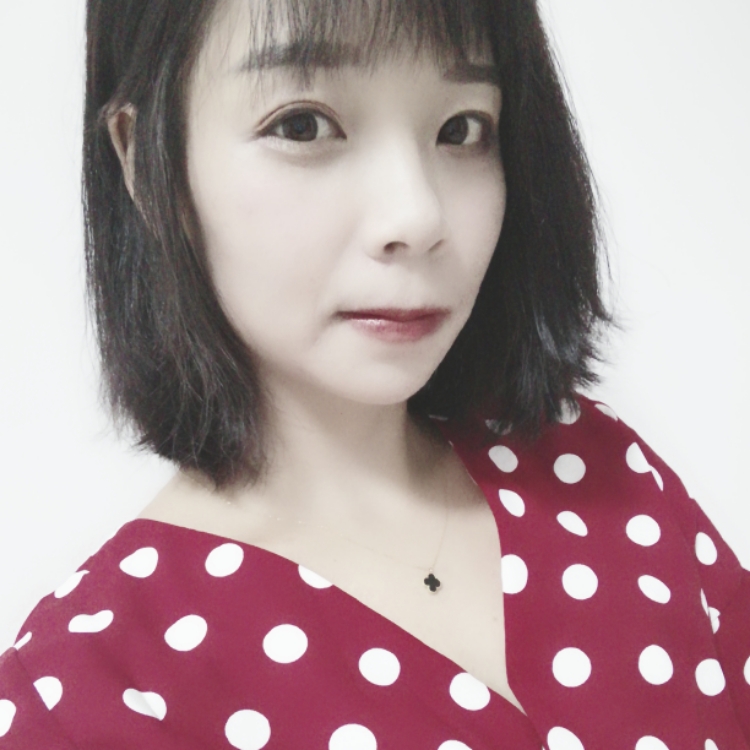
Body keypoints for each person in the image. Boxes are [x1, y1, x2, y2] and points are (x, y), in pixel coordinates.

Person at [0, 0, 748, 748]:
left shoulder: (602, 474)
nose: (417, 216)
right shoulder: (89, 695)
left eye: (462, 129)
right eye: (302, 125)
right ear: (144, 160)